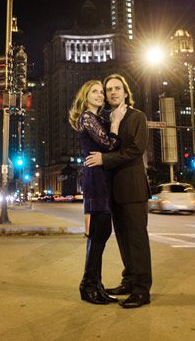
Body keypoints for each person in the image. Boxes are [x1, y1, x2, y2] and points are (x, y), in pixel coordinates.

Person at [85, 73, 152, 308]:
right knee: (123, 239)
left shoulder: (136, 117)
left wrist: (105, 159)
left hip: (133, 189)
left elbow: (135, 149)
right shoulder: (107, 119)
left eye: (117, 88)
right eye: (108, 89)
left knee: (137, 240)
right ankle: (129, 280)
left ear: (125, 92)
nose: (113, 92)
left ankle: (142, 290)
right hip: (114, 191)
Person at [68, 80, 125, 305]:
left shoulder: (97, 118)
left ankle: (96, 284)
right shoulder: (87, 118)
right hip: (95, 178)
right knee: (98, 235)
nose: (101, 95)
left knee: (101, 234)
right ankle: (88, 285)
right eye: (95, 92)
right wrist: (116, 124)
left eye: (102, 92)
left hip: (103, 178)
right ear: (86, 96)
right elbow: (109, 144)